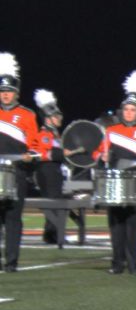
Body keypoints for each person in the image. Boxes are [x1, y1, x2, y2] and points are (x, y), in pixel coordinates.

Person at [94, 71, 136, 275]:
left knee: (135, 224)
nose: (129, 113)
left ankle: (132, 263)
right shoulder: (111, 131)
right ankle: (117, 262)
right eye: (126, 109)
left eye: (132, 110)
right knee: (116, 223)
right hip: (115, 182)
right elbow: (99, 152)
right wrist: (101, 157)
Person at [0, 52, 40, 272]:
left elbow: (35, 147)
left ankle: (11, 261)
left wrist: (29, 157)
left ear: (16, 93)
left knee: (13, 218)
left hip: (17, 173)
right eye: (3, 91)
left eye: (9, 91)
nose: (6, 95)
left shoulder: (27, 115)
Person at [33, 89, 69, 247]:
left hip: (54, 171)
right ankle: (52, 234)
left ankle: (52, 233)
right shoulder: (45, 134)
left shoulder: (55, 134)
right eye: (56, 116)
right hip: (47, 172)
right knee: (53, 203)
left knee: (57, 202)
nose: (59, 118)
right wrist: (62, 153)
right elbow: (45, 154)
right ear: (48, 118)